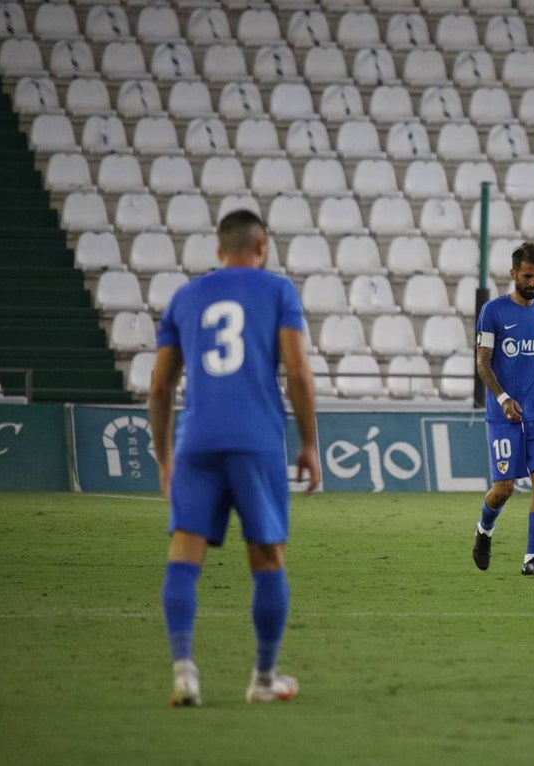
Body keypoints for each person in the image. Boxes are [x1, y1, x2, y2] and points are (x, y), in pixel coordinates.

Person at [149, 209, 321, 706]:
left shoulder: (185, 297)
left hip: (196, 441)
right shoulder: (278, 292)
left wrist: (165, 458)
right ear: (262, 244)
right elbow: (298, 372)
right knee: (267, 557)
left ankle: (184, 671)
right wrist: (309, 444)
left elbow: (160, 385)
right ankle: (263, 680)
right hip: (256, 441)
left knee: (184, 555)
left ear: (218, 250)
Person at [471, 242, 534, 575]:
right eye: (527, 276)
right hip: (504, 415)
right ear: (513, 273)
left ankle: (531, 558)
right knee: (504, 489)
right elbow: (483, 363)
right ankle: (484, 529)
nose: (533, 283)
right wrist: (502, 398)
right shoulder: (493, 312)